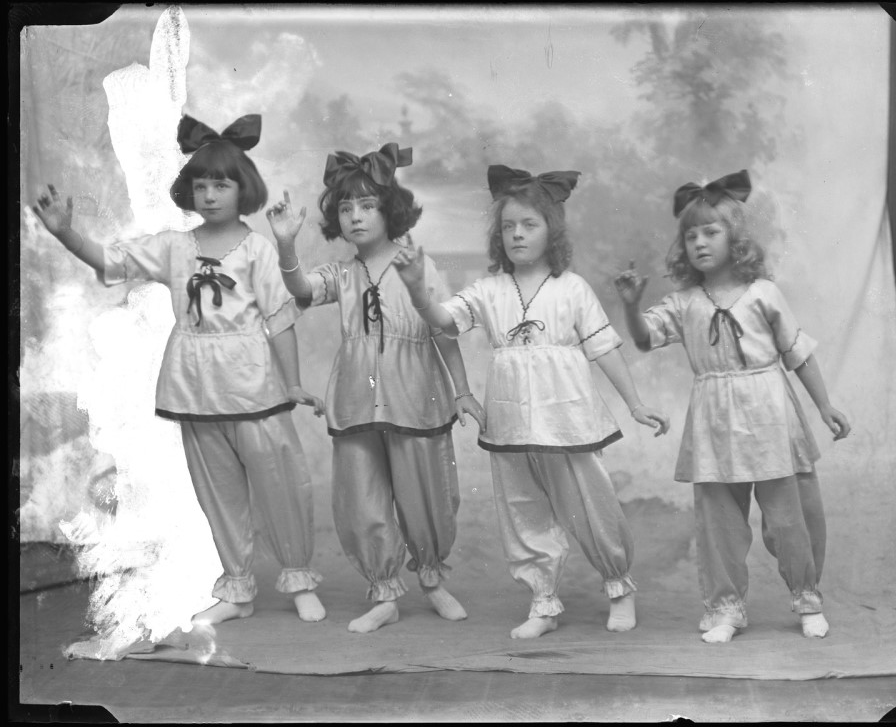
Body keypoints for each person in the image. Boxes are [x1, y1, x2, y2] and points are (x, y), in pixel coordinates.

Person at [32, 114, 328, 625]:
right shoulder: (172, 245)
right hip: (194, 385)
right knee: (217, 490)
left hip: (254, 384)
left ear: (244, 189)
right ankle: (237, 589)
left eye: (222, 183)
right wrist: (66, 234)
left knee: (279, 480)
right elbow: (112, 261)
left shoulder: (257, 248)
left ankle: (299, 575)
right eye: (201, 183)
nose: (210, 194)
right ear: (188, 190)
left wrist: (295, 381)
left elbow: (280, 321)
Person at [392, 165, 668, 639]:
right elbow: (444, 321)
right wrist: (418, 289)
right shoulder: (488, 289)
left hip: (568, 418)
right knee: (524, 511)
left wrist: (636, 405)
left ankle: (619, 585)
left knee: (591, 502)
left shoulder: (572, 288)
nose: (517, 234)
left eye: (529, 225)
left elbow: (604, 349)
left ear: (551, 231)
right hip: (512, 419)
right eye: (508, 226)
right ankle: (543, 600)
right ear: (498, 235)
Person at [614, 170, 851, 643]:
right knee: (718, 519)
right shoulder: (683, 302)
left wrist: (824, 406)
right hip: (714, 418)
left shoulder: (763, 293)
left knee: (790, 516)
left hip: (769, 412)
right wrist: (631, 305)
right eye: (691, 234)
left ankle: (806, 597)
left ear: (735, 238)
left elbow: (797, 352)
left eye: (711, 231)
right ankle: (725, 607)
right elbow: (643, 340)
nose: (700, 242)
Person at [266, 144, 484, 633]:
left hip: (416, 390)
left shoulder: (420, 266)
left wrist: (463, 391)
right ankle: (384, 592)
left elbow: (442, 330)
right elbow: (301, 291)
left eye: (367, 206)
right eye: (345, 208)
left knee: (427, 491)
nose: (355, 217)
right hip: (356, 393)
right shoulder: (342, 273)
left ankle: (431, 579)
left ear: (390, 209)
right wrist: (285, 245)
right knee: (361, 495)